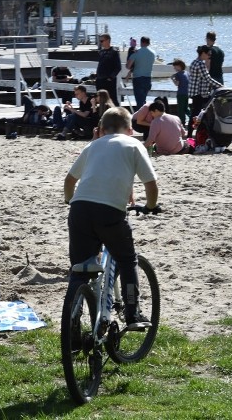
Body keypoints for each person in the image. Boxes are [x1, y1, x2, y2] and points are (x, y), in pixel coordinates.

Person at [64, 107, 159, 326]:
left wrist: (69, 201)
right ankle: (132, 312)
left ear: (102, 130)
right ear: (130, 129)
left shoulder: (93, 145)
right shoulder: (134, 144)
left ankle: (72, 324)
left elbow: (70, 181)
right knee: (127, 259)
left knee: (79, 268)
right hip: (110, 212)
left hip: (79, 210)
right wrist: (151, 207)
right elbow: (151, 184)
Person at [187, 45, 222, 138]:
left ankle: (193, 134)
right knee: (197, 115)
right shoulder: (200, 64)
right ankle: (192, 135)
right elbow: (208, 78)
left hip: (194, 92)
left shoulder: (194, 62)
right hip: (199, 93)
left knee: (196, 114)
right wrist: (221, 86)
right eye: (208, 54)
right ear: (203, 53)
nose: (209, 56)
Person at [125, 36, 156, 108]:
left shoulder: (136, 52)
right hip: (148, 79)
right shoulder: (153, 53)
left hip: (138, 79)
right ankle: (144, 117)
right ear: (149, 43)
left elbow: (128, 66)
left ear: (141, 42)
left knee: (139, 102)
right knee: (143, 100)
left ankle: (139, 118)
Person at [96, 33, 122, 105]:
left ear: (108, 40)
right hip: (100, 79)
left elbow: (118, 67)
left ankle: (117, 114)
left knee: (112, 99)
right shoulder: (101, 52)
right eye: (100, 41)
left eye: (102, 41)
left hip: (109, 80)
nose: (101, 43)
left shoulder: (114, 52)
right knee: (101, 99)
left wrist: (111, 77)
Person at [170, 58, 189, 127]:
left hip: (181, 93)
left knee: (181, 109)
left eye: (175, 66)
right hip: (187, 93)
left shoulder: (178, 74)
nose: (174, 68)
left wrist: (173, 79)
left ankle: (182, 123)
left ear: (179, 66)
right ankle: (192, 118)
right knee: (186, 108)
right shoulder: (186, 72)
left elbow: (177, 84)